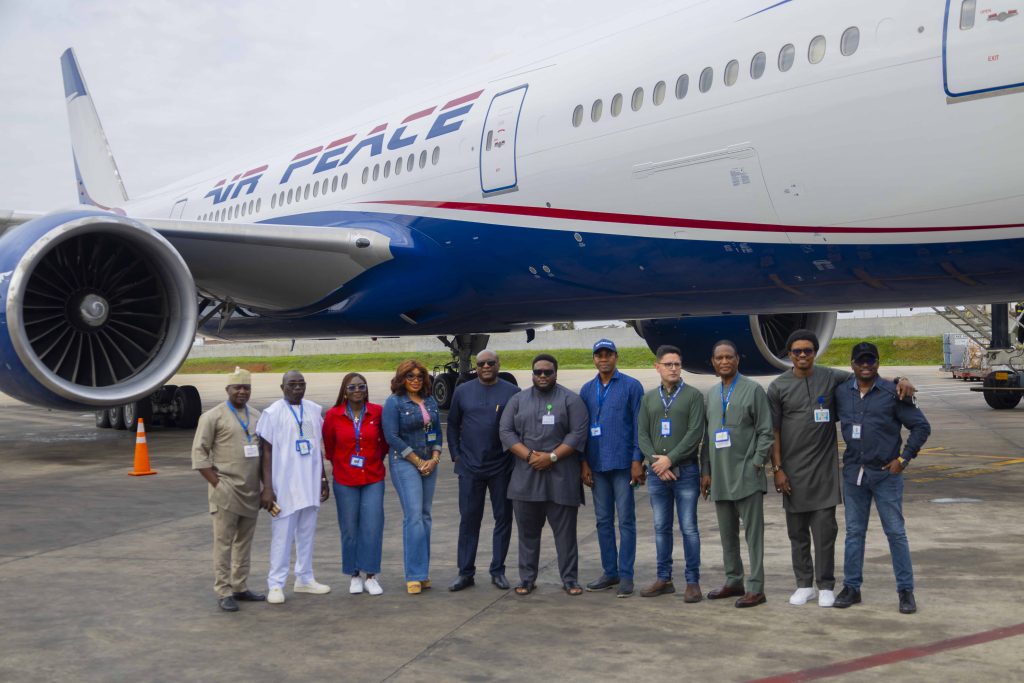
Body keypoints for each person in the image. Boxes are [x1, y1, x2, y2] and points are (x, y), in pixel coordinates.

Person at [767, 330, 917, 608]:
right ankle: (807, 584)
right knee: (801, 533)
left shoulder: (831, 377)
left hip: (831, 472)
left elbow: (867, 377)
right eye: (797, 351)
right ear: (789, 354)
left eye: (808, 350)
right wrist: (777, 468)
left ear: (816, 353)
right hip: (797, 470)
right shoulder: (778, 387)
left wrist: (900, 379)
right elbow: (773, 430)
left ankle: (828, 585)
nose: (802, 355)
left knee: (832, 532)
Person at [833, 342, 930, 614]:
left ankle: (905, 591)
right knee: (854, 533)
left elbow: (921, 426)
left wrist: (904, 459)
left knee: (896, 533)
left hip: (886, 474)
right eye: (860, 361)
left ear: (877, 363)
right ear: (852, 364)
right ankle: (852, 587)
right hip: (854, 474)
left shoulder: (892, 393)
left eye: (871, 360)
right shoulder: (841, 393)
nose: (866, 365)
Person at [499, 354, 589, 596]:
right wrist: (530, 456)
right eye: (538, 372)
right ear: (532, 374)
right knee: (527, 534)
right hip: (526, 478)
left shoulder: (571, 400)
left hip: (562, 477)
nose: (542, 376)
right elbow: (505, 431)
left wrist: (552, 457)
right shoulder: (518, 400)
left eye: (547, 372)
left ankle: (570, 579)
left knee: (566, 535)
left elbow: (577, 434)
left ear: (555, 373)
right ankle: (527, 578)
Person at [701, 340, 773, 608]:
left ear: (737, 360)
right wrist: (706, 471)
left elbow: (766, 431)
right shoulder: (712, 394)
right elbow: (708, 437)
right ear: (713, 362)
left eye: (728, 357)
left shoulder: (753, 390)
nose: (724, 362)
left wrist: (756, 463)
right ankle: (733, 580)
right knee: (727, 534)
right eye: (719, 358)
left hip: (746, 474)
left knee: (753, 535)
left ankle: (756, 587)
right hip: (719, 476)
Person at [190, 367, 265, 612]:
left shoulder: (256, 416)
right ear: (227, 390)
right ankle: (223, 591)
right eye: (237, 387)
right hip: (226, 490)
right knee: (223, 543)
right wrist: (216, 483)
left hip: (251, 491)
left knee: (244, 542)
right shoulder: (213, 416)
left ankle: (240, 586)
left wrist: (265, 487)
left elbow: (265, 454)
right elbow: (199, 454)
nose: (242, 392)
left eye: (246, 388)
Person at [446, 350, 520, 592]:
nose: (485, 366)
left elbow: (518, 427)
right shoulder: (462, 391)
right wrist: (456, 454)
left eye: (490, 363)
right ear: (476, 367)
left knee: (503, 519)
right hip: (469, 467)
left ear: (498, 364)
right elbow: (453, 424)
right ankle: (465, 572)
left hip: (501, 467)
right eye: (481, 364)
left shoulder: (512, 392)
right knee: (469, 520)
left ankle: (498, 571)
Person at [637, 345, 706, 602]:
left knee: (689, 528)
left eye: (677, 364)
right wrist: (657, 463)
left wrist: (670, 459)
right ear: (657, 367)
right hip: (657, 473)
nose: (674, 368)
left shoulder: (693, 396)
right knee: (661, 527)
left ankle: (692, 581)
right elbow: (642, 434)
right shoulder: (648, 399)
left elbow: (695, 433)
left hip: (685, 471)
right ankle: (664, 578)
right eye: (668, 364)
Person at [257, 370, 331, 604]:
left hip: (309, 483)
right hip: (284, 486)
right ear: (283, 388)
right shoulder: (273, 413)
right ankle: (276, 584)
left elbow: (314, 445)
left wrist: (322, 478)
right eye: (292, 384)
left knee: (306, 534)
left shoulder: (312, 410)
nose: (297, 388)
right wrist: (267, 488)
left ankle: (305, 578)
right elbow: (266, 452)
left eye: (301, 384)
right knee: (283, 537)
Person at [579, 339, 645, 597]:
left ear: (616, 357)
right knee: (603, 520)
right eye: (599, 355)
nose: (604, 359)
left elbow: (639, 425)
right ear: (594, 359)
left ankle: (626, 574)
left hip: (623, 464)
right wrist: (584, 462)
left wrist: (637, 460)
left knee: (626, 520)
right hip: (597, 464)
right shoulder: (587, 389)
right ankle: (610, 571)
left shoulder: (631, 386)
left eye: (608, 354)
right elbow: (582, 430)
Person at [323, 372, 388, 596]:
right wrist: (343, 464)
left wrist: (373, 459)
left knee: (372, 526)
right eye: (352, 387)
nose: (357, 390)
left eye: (361, 386)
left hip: (372, 477)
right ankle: (354, 574)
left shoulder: (377, 412)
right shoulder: (333, 415)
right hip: (345, 479)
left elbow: (384, 443)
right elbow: (329, 448)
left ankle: (371, 575)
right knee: (349, 528)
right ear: (344, 391)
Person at [382, 359, 443, 595]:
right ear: (401, 378)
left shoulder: (429, 400)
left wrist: (434, 458)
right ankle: (414, 575)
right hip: (405, 462)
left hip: (429, 461)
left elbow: (435, 430)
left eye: (419, 376)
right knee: (414, 516)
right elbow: (392, 437)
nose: (415, 380)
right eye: (410, 376)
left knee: (425, 516)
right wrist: (417, 461)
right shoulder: (394, 402)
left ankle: (423, 572)